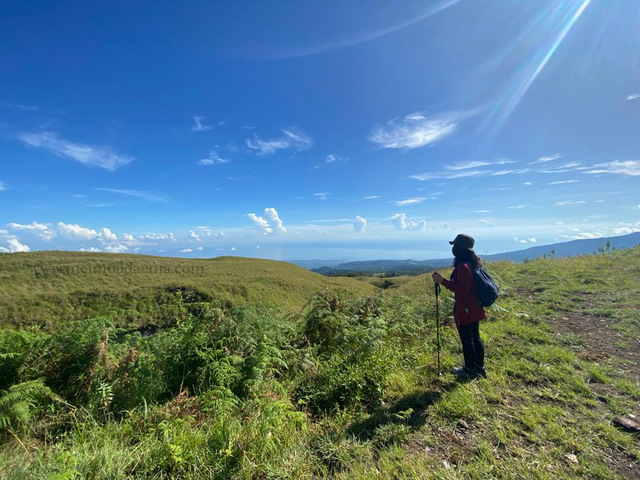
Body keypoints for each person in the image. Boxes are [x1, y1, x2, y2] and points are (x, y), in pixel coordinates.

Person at [432, 234, 487, 379]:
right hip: (475, 306)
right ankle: (479, 368)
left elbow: (463, 289)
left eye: (455, 246)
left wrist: (441, 281)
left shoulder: (463, 266)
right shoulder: (474, 262)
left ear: (460, 249)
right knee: (475, 337)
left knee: (467, 339)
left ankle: (469, 370)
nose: (453, 248)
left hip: (466, 308)